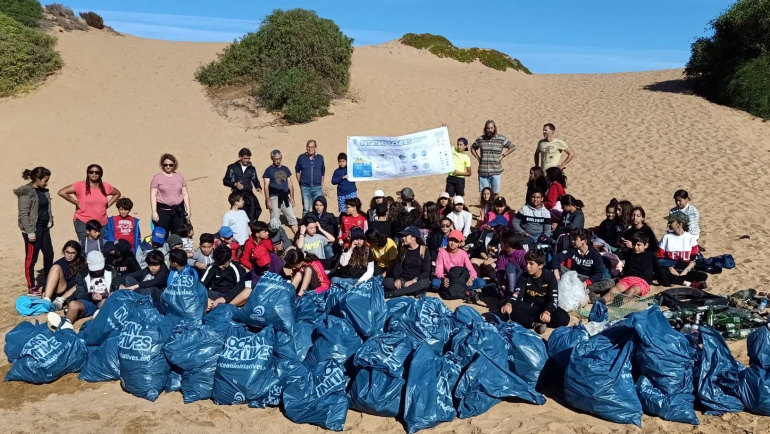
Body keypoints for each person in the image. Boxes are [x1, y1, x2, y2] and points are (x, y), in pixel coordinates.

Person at [500, 250, 570, 334]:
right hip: (528, 306)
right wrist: (509, 304)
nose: (527, 266)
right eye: (526, 263)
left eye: (531, 264)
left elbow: (553, 300)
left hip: (543, 307)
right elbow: (517, 295)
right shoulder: (524, 277)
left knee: (564, 318)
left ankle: (529, 320)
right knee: (502, 304)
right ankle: (534, 324)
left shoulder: (549, 277)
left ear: (540, 265)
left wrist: (547, 311)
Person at [47, 251, 116, 331]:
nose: (97, 271)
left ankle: (99, 315)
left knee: (104, 302)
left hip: (107, 301)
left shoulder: (111, 271)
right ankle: (67, 324)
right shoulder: (82, 275)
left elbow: (116, 286)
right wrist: (91, 296)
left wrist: (111, 294)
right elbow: (80, 294)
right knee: (73, 304)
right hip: (90, 302)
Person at [16, 167, 54, 295]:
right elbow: (23, 214)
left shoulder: (44, 191)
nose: (46, 183)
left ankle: (50, 281)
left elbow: (47, 207)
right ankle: (31, 286)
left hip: (44, 228)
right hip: (33, 229)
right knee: (31, 259)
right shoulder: (26, 193)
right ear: (37, 179)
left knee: (49, 255)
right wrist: (29, 231)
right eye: (45, 180)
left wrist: (50, 219)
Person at [58, 164, 121, 240]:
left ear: (101, 174)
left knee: (101, 248)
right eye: (91, 172)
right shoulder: (80, 185)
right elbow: (62, 192)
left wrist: (107, 205)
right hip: (83, 221)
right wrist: (75, 202)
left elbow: (117, 194)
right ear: (87, 173)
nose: (94, 174)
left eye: (97, 172)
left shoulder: (105, 186)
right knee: (87, 246)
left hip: (102, 223)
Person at [603, 232, 670, 303]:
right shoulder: (629, 254)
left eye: (639, 245)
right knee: (614, 290)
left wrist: (665, 282)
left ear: (646, 245)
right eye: (634, 244)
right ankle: (600, 301)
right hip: (627, 279)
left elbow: (658, 269)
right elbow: (626, 268)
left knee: (632, 290)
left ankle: (616, 305)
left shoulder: (650, 255)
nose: (635, 247)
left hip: (642, 281)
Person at [554, 228, 616, 300]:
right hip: (575, 277)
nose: (572, 241)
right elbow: (556, 258)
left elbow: (599, 274)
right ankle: (588, 294)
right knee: (557, 267)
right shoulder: (572, 250)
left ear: (584, 241)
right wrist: (556, 274)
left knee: (609, 283)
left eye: (575, 239)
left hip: (588, 280)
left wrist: (586, 283)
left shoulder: (595, 254)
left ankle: (583, 290)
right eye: (572, 239)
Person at [658, 211, 708, 288]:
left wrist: (685, 271)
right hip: (670, 268)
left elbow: (694, 258)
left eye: (671, 222)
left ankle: (677, 280)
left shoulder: (690, 238)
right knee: (662, 273)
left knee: (703, 276)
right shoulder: (666, 238)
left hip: (685, 268)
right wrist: (670, 268)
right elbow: (659, 257)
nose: (668, 224)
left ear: (679, 224)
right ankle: (689, 284)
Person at [432, 230, 486, 301]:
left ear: (460, 243)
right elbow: (439, 270)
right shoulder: (442, 252)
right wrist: (443, 278)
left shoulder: (463, 254)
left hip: (461, 280)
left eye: (456, 241)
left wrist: (471, 278)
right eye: (451, 240)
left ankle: (453, 289)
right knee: (435, 283)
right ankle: (459, 289)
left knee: (481, 282)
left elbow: (471, 269)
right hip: (448, 279)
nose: (452, 243)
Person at [470, 120, 515, 198]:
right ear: (485, 129)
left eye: (491, 128)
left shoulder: (501, 139)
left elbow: (512, 147)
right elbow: (472, 148)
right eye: (488, 128)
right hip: (483, 171)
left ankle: (495, 209)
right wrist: (478, 158)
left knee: (495, 194)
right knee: (485, 195)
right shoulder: (480, 139)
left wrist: (503, 155)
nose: (490, 130)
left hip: (496, 171)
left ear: (494, 128)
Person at [383, 226, 431, 298]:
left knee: (425, 283)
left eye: (406, 236)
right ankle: (414, 291)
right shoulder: (403, 249)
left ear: (413, 238)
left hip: (416, 280)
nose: (403, 238)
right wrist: (397, 279)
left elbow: (426, 271)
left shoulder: (423, 250)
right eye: (403, 236)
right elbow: (397, 267)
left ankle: (395, 293)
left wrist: (413, 281)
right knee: (386, 282)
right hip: (404, 280)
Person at [150, 154, 191, 236]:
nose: (168, 167)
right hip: (163, 211)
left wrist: (188, 210)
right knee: (161, 235)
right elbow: (153, 196)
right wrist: (154, 212)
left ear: (174, 165)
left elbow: (185, 194)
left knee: (178, 235)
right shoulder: (157, 178)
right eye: (165, 165)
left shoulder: (180, 177)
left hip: (178, 211)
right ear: (162, 165)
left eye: (170, 165)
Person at [263, 149, 298, 234]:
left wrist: (292, 198)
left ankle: (298, 238)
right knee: (275, 220)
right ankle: (275, 241)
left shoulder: (285, 169)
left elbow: (290, 183)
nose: (278, 161)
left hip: (285, 197)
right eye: (276, 159)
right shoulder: (268, 170)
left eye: (279, 158)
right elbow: (266, 186)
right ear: (272, 159)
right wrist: (268, 200)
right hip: (274, 197)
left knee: (292, 218)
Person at [223, 147, 262, 222]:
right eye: (245, 158)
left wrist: (258, 187)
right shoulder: (232, 167)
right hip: (238, 196)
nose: (247, 160)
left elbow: (255, 180)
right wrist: (235, 184)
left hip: (249, 195)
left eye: (248, 158)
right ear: (240, 157)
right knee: (238, 216)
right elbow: (225, 181)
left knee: (253, 213)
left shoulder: (252, 169)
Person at [44, 241, 86, 310]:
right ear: (64, 251)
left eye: (73, 253)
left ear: (77, 253)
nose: (69, 255)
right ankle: (46, 300)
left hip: (73, 292)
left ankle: (61, 300)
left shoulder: (83, 264)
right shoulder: (60, 262)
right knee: (55, 267)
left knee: (82, 282)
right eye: (67, 252)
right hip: (61, 289)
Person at [294, 140, 326, 215]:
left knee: (318, 208)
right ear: (306, 147)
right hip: (305, 187)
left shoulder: (320, 157)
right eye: (308, 147)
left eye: (312, 147)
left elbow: (323, 171)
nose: (310, 149)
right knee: (306, 208)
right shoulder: (301, 157)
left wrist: (321, 183)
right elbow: (297, 170)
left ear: (315, 148)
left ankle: (317, 224)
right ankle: (305, 224)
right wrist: (300, 181)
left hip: (317, 187)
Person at [495, 232, 527, 296]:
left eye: (501, 242)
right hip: (507, 281)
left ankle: (511, 292)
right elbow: (500, 269)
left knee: (510, 266)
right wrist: (501, 284)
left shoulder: (521, 254)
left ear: (507, 243)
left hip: (520, 281)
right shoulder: (502, 253)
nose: (500, 244)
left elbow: (526, 270)